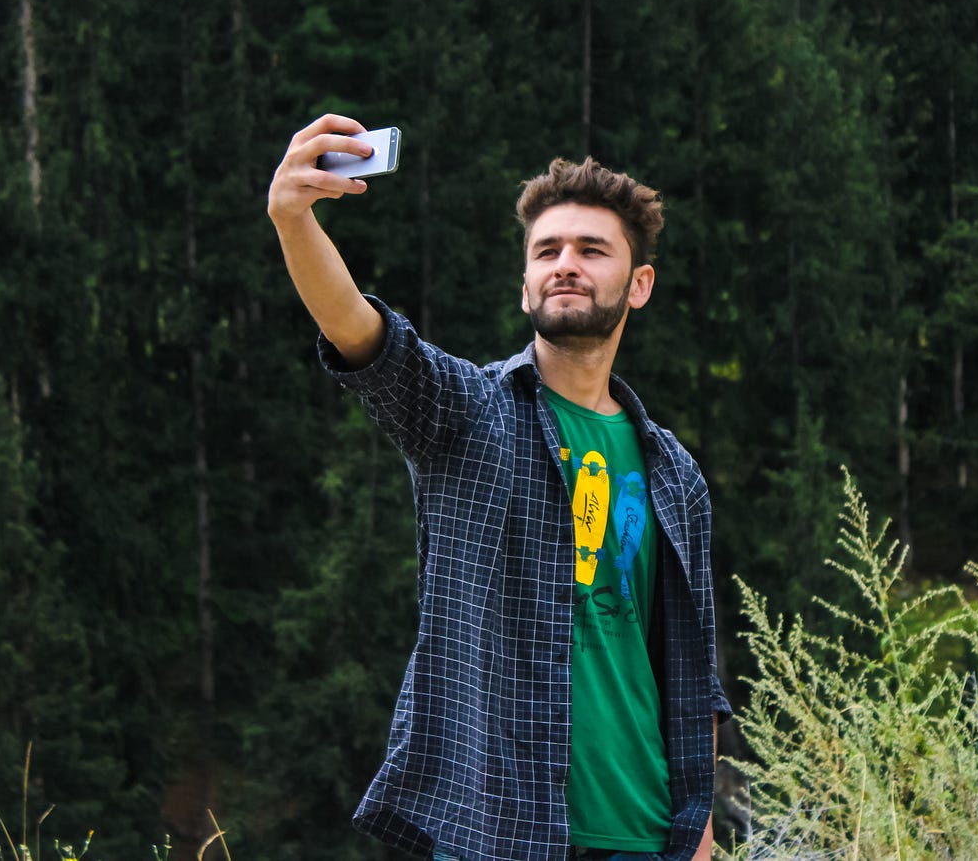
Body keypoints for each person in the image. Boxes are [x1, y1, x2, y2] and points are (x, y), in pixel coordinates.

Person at [266, 114, 730, 861]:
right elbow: (360, 329)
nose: (565, 264)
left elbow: (691, 672)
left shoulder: (674, 472)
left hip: (648, 837)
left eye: (591, 249)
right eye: (547, 250)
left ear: (639, 284)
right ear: (524, 286)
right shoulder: (468, 414)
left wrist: (700, 835)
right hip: (503, 833)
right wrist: (293, 220)